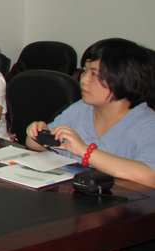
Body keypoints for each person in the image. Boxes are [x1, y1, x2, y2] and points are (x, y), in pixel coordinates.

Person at [25, 38, 155, 187]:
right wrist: (36, 135)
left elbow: (151, 177)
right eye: (85, 71)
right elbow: (37, 145)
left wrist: (85, 151)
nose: (84, 79)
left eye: (94, 74)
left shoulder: (147, 125)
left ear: (125, 79)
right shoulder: (81, 109)